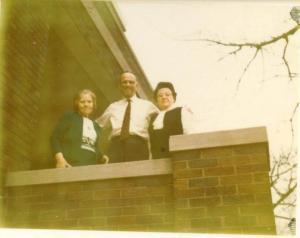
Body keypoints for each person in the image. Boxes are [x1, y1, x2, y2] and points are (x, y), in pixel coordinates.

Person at [96, 72, 159, 163]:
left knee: (137, 175)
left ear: (136, 85)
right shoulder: (113, 107)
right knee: (115, 175)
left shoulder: (147, 105)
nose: (127, 84)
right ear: (120, 86)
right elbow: (97, 126)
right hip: (116, 147)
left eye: (131, 82)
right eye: (124, 82)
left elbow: (163, 119)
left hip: (138, 146)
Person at [51, 89, 108, 168]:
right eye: (82, 102)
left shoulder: (96, 126)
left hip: (90, 168)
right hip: (70, 166)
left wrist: (102, 156)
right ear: (77, 103)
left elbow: (94, 147)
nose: (86, 104)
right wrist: (60, 159)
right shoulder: (69, 117)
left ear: (93, 104)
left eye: (89, 102)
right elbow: (55, 138)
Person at [149, 82, 195, 159]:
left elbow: (189, 134)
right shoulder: (153, 118)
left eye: (167, 94)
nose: (164, 97)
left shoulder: (182, 111)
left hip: (178, 157)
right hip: (158, 159)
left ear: (173, 97)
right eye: (160, 96)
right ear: (156, 100)